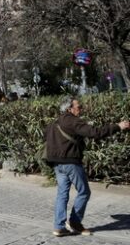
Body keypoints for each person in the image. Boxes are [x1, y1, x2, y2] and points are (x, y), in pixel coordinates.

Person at [45, 97, 130, 237]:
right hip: (70, 163)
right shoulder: (72, 121)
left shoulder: (54, 122)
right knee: (84, 192)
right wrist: (117, 126)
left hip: (57, 164)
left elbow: (45, 137)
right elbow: (95, 133)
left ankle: (59, 227)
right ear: (69, 109)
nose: (81, 108)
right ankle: (75, 222)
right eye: (79, 106)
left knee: (62, 194)